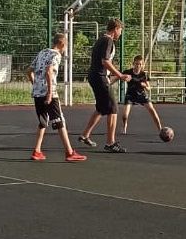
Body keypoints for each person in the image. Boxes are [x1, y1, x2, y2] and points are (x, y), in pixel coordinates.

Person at [26, 33, 86, 162]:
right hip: (50, 93)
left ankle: (37, 151)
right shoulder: (56, 55)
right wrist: (49, 93)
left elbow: (29, 71)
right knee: (59, 121)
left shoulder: (42, 52)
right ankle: (69, 152)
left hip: (37, 93)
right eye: (66, 45)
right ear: (62, 44)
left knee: (43, 121)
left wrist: (36, 85)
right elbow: (49, 71)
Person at [78, 18, 130, 153]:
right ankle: (110, 143)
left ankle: (85, 135)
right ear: (116, 29)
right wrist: (120, 75)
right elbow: (105, 61)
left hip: (95, 76)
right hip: (99, 77)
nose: (120, 33)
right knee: (113, 108)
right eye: (120, 30)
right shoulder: (108, 41)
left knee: (101, 108)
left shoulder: (101, 39)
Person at [119, 55, 162, 135]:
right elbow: (118, 76)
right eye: (136, 64)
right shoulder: (128, 72)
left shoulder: (144, 74)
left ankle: (160, 129)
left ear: (142, 65)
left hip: (141, 95)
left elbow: (149, 88)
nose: (138, 66)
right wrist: (110, 83)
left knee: (152, 110)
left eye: (140, 64)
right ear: (133, 64)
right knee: (125, 115)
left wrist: (144, 85)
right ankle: (124, 126)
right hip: (130, 95)